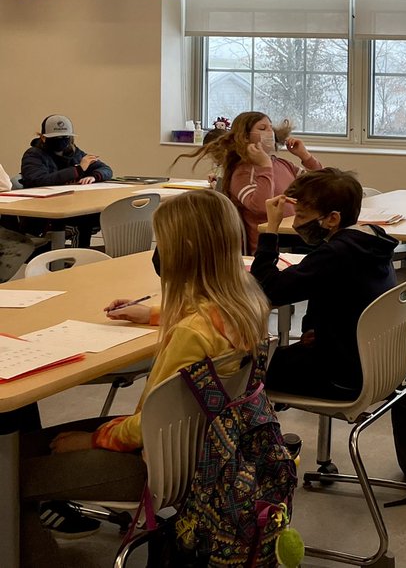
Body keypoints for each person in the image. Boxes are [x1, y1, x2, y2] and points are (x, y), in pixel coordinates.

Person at [18, 190, 269, 566]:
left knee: (9, 475)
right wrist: (152, 314)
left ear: (181, 248)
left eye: (161, 243)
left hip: (157, 464)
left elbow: (143, 426)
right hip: (204, 453)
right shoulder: (246, 303)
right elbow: (204, 322)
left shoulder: (191, 333)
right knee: (25, 444)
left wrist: (93, 439)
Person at [252, 168, 397, 399]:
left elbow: (267, 290)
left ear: (332, 218)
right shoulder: (370, 240)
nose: (296, 223)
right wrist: (316, 328)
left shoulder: (336, 254)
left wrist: (271, 229)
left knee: (239, 371)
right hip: (372, 363)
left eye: (301, 216)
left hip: (340, 374)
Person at [174, 111, 322, 252]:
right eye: (263, 128)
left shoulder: (282, 164)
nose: (270, 132)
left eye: (271, 128)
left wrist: (305, 156)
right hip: (272, 245)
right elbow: (262, 207)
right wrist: (265, 166)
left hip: (295, 236)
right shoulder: (242, 172)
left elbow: (321, 183)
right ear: (245, 137)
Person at [20, 115, 113, 247]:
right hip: (44, 217)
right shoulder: (33, 154)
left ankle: (88, 260)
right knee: (82, 226)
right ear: (43, 137)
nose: (62, 141)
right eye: (56, 138)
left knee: (101, 218)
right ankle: (78, 263)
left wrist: (95, 176)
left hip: (70, 209)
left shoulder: (74, 152)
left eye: (65, 138)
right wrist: (78, 170)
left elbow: (106, 169)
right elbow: (39, 180)